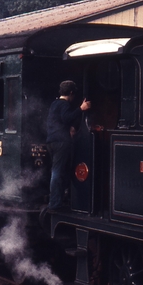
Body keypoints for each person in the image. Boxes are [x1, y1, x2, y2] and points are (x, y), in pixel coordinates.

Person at [46, 80, 90, 211]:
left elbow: (59, 120)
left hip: (52, 141)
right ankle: (55, 203)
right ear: (71, 93)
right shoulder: (64, 104)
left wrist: (69, 127)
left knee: (59, 171)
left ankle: (60, 198)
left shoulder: (54, 104)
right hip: (61, 142)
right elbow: (66, 117)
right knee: (58, 172)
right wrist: (81, 109)